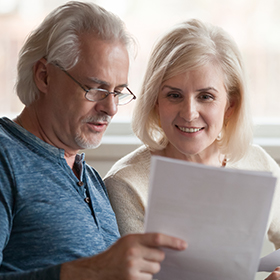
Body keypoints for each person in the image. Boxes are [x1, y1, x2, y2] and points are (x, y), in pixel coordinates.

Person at [0, 2, 187, 279]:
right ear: (44, 76)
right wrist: (90, 271)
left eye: (118, 92)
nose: (111, 108)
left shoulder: (92, 180)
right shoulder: (6, 158)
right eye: (97, 89)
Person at [104, 18, 280, 254]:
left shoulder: (259, 164)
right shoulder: (126, 184)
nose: (188, 113)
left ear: (230, 105)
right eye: (174, 95)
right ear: (155, 101)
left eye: (205, 96)